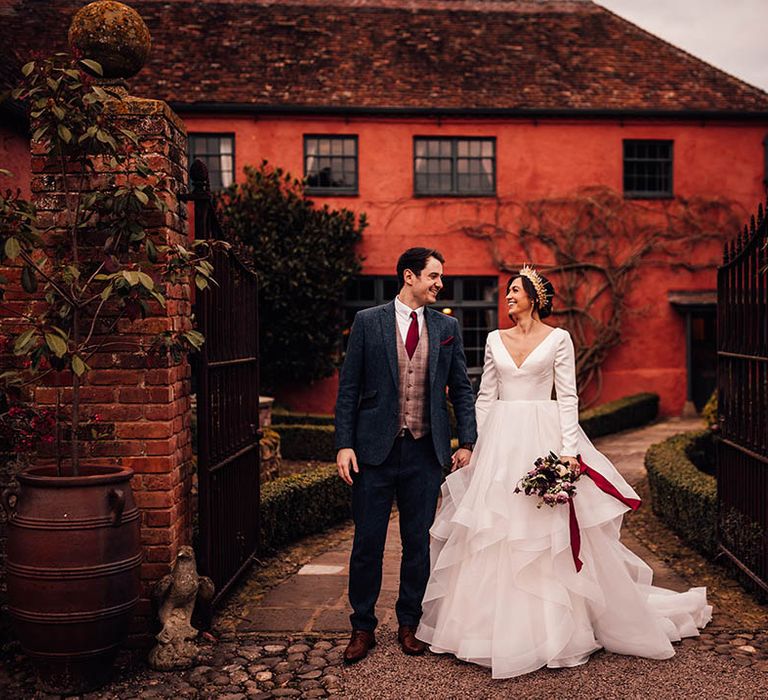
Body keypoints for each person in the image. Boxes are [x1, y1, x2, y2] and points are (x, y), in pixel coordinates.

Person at [416, 266, 712, 679]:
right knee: (492, 530)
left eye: (515, 291)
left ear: (534, 298)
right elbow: (486, 395)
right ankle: (483, 630)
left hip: (542, 436)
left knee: (542, 529)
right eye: (508, 293)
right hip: (500, 443)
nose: (509, 297)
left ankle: (555, 630)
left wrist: (569, 453)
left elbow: (568, 396)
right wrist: (477, 446)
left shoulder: (559, 339)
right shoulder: (493, 339)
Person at [335, 247, 478, 664]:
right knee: (367, 544)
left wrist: (466, 441)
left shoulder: (447, 326)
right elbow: (348, 389)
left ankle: (409, 623)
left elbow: (462, 389)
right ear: (409, 276)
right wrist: (344, 443)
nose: (440, 284)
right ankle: (362, 627)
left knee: (418, 543)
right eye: (433, 276)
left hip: (425, 452)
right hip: (373, 452)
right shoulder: (368, 322)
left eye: (441, 277)